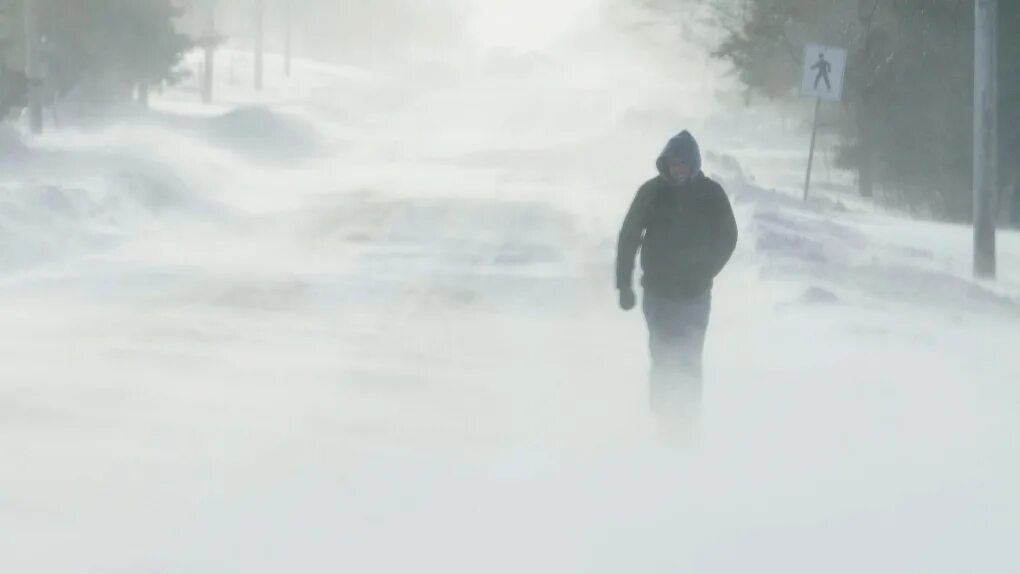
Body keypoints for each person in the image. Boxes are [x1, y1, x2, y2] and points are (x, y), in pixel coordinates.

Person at [616, 131, 738, 428]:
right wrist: (624, 285)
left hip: (695, 296)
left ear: (693, 165)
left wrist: (707, 269)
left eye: (682, 165)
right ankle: (663, 418)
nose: (677, 170)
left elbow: (728, 236)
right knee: (662, 355)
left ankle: (687, 421)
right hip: (658, 295)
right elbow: (629, 237)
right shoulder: (652, 193)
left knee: (689, 357)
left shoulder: (710, 194)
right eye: (672, 165)